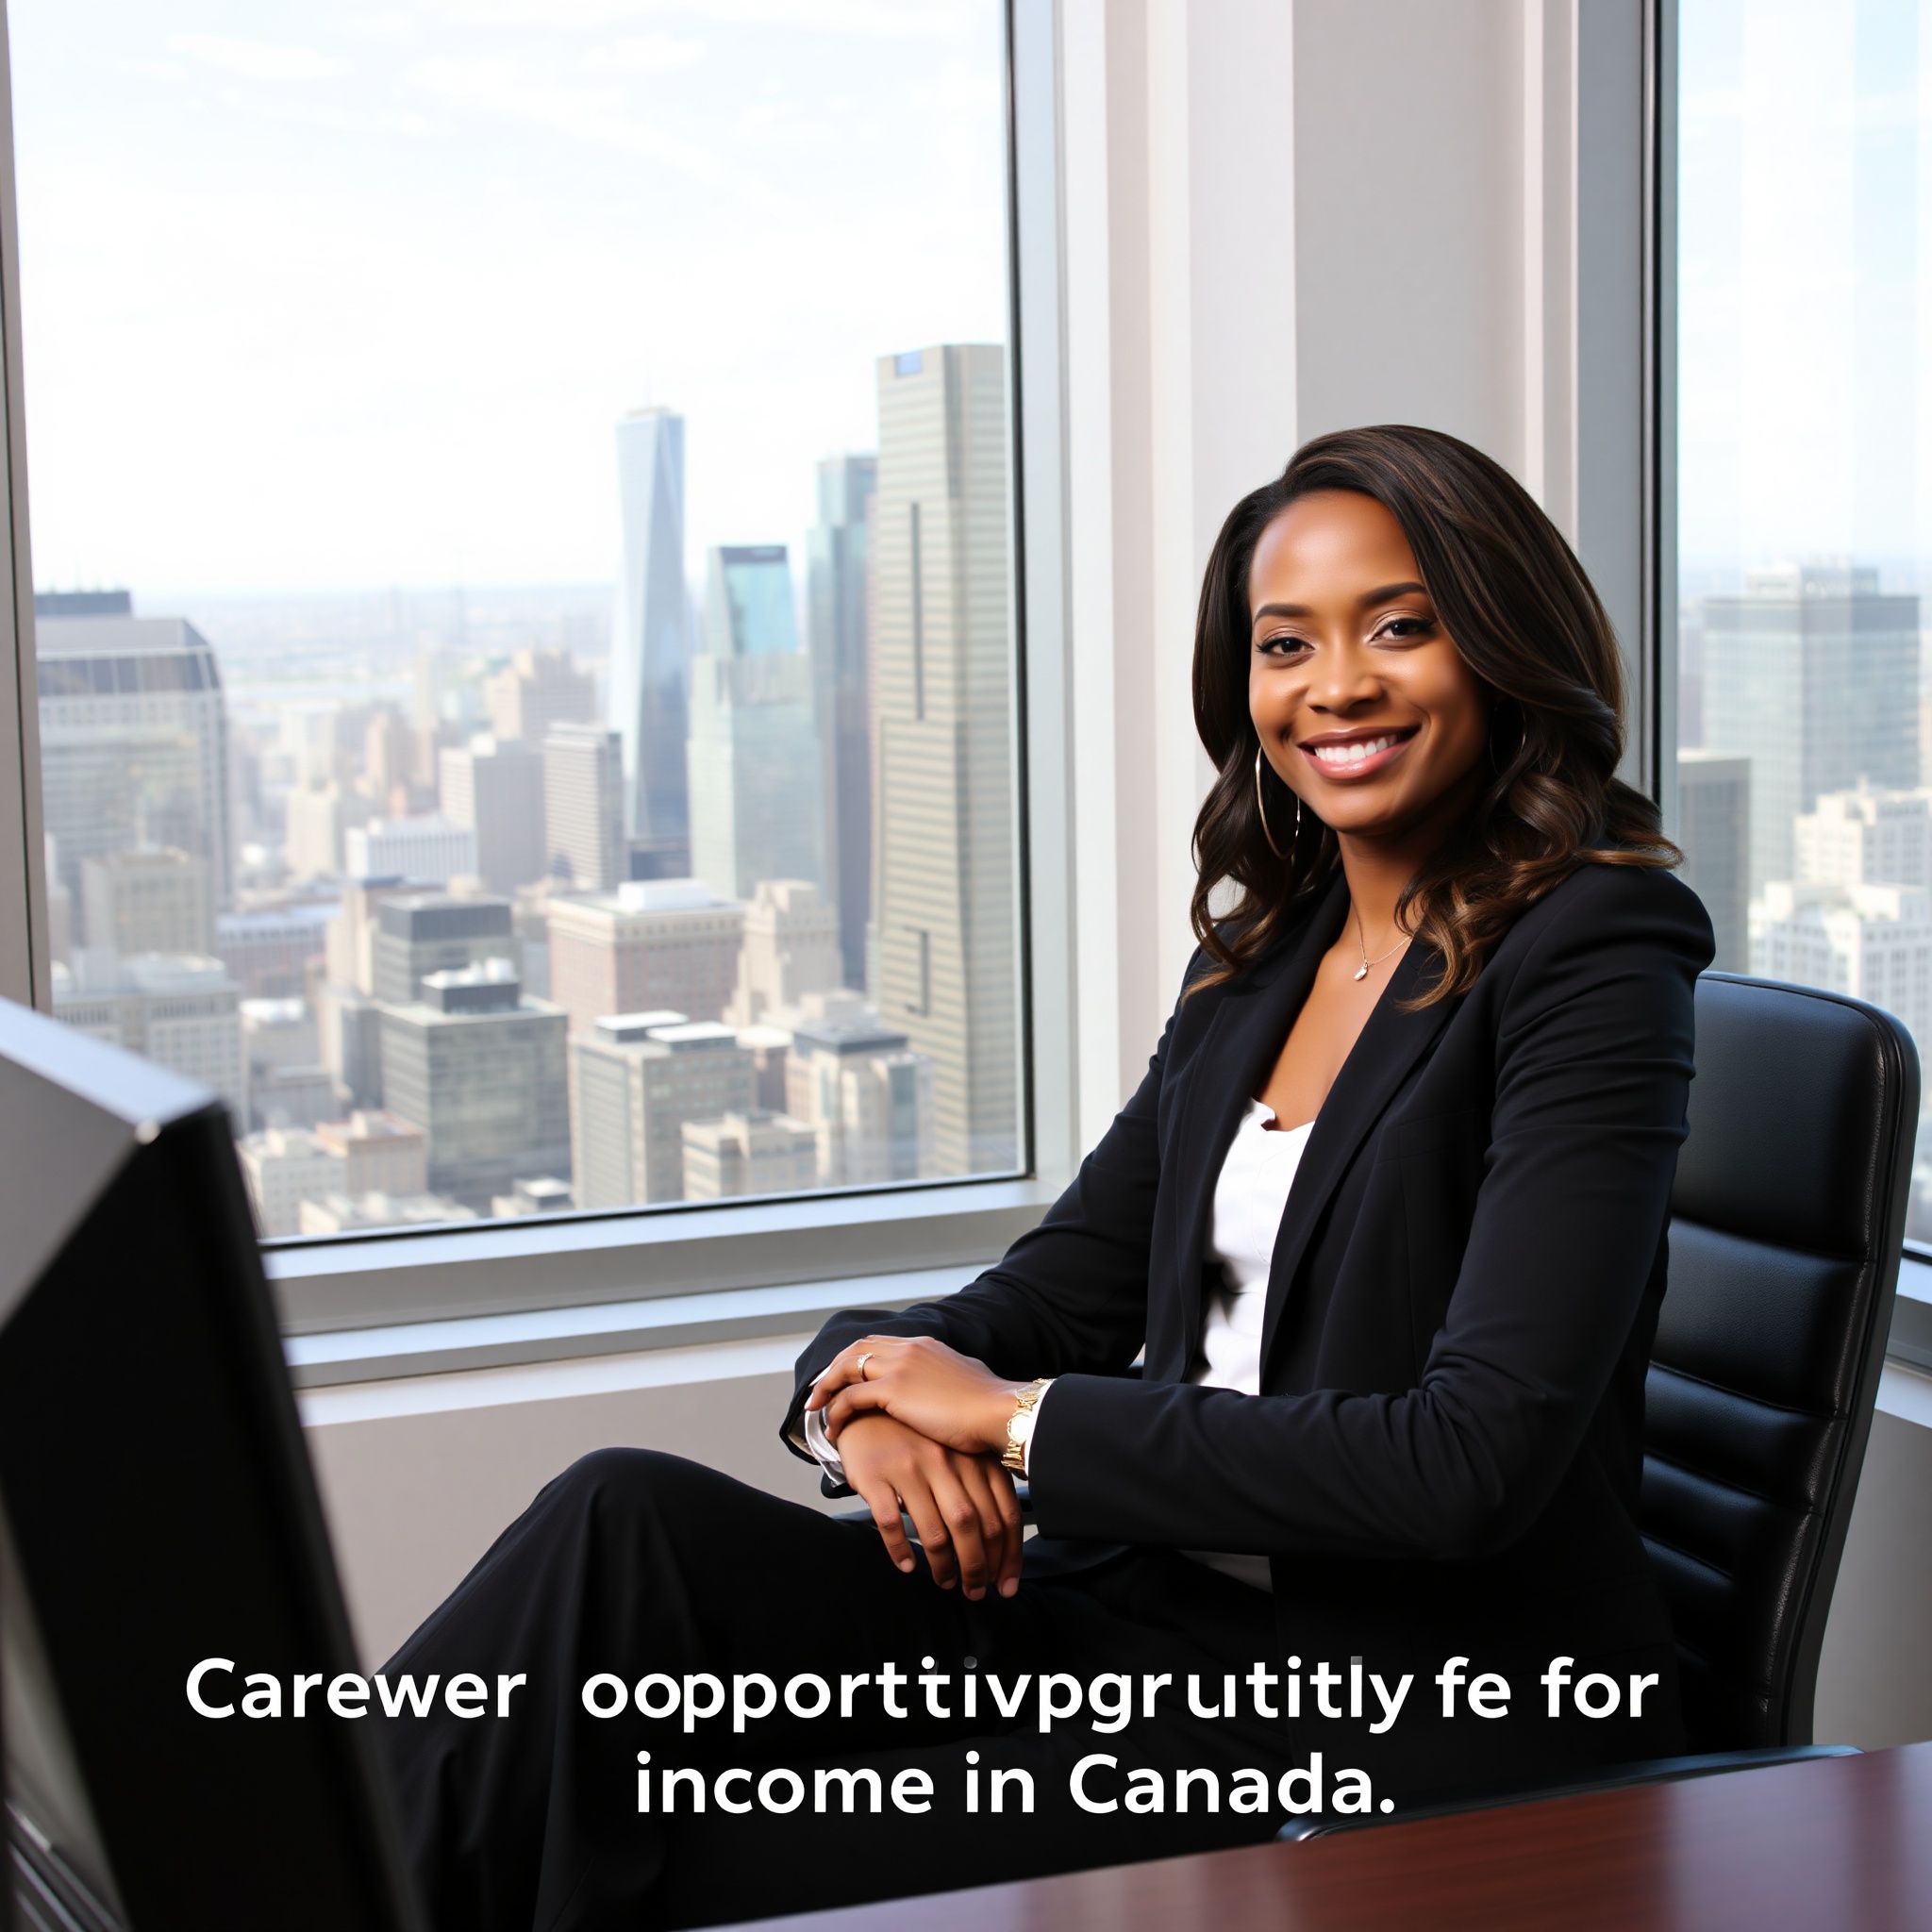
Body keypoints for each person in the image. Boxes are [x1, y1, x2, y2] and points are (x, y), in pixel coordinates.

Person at [375, 425, 1713, 1931]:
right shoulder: (1262, 966)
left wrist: (1011, 1423)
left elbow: (1468, 1461)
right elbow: (1046, 1290)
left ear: (1504, 645)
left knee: (654, 1838)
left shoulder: (1597, 956)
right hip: (1131, 1617)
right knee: (619, 1526)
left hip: (1399, 1715)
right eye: (1287, 644)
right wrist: (862, 1406)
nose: (1337, 684)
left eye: (1401, 626)